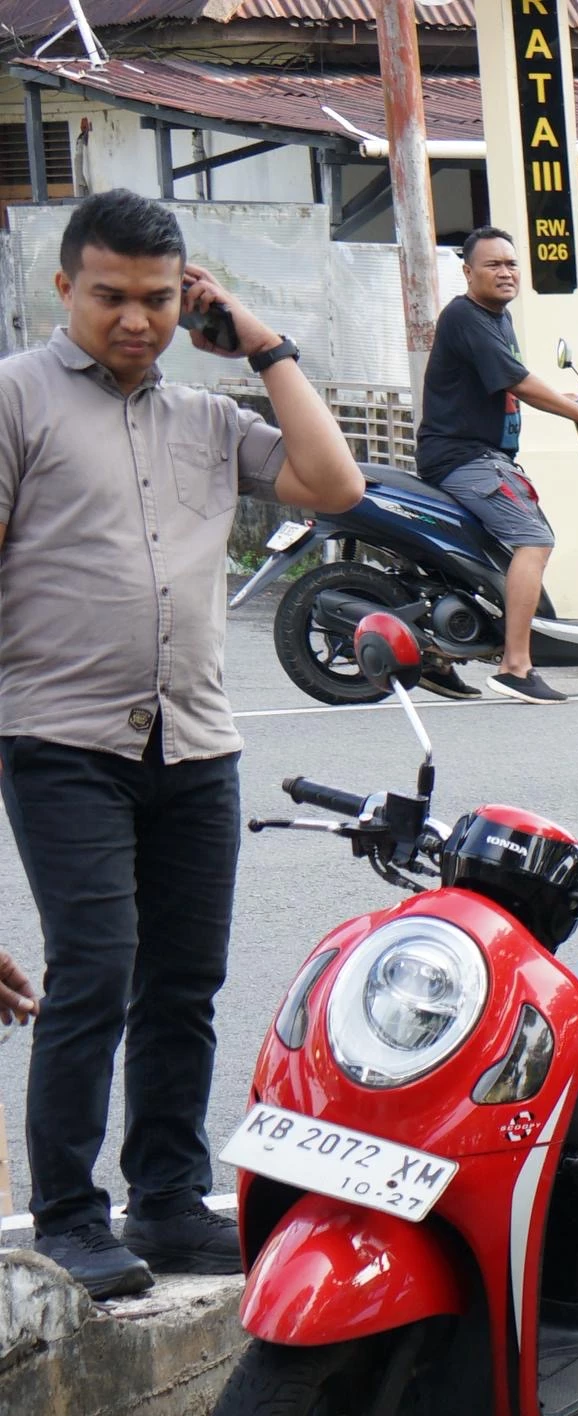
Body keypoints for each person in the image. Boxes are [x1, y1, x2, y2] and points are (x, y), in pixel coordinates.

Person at [0, 189, 363, 1303]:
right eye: (110, 296)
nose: (135, 320)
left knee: (183, 983)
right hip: (59, 738)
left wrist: (264, 345)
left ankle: (165, 1197)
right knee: (96, 972)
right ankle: (69, 1213)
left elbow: (334, 482)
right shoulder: (15, 399)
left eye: (159, 299)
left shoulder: (205, 418)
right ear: (65, 286)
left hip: (196, 744)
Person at [414, 223, 578, 702]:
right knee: (534, 540)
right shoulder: (466, 317)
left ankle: (437, 653)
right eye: (493, 265)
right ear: (468, 272)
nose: (506, 272)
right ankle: (515, 666)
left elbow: (509, 381)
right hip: (464, 458)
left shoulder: (496, 318)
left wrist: (577, 398)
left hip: (477, 456)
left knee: (482, 555)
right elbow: (519, 383)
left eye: (511, 263)